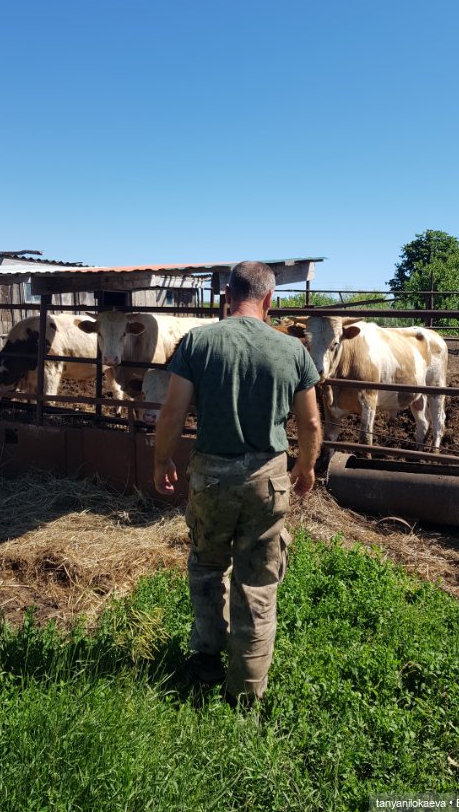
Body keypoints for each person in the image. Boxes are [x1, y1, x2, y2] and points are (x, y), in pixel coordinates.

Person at [153, 261, 322, 704]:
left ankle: (206, 661)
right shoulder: (293, 351)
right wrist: (305, 467)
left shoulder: (198, 342)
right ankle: (247, 690)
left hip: (210, 477)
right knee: (259, 582)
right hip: (267, 479)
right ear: (270, 300)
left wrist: (161, 461)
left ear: (227, 296)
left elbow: (172, 413)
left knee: (208, 568)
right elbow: (310, 423)